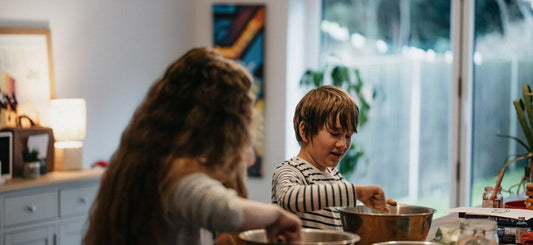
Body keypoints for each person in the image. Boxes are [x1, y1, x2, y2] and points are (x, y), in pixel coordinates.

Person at [83, 47, 301, 245]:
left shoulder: (142, 160)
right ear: (219, 126)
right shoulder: (175, 175)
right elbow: (227, 211)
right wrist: (277, 215)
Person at [271, 85, 396, 231]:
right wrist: (357, 192)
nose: (343, 144)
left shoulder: (336, 177)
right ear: (304, 131)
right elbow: (289, 198)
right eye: (334, 133)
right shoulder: (289, 171)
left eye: (348, 136)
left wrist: (376, 207)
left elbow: (342, 205)